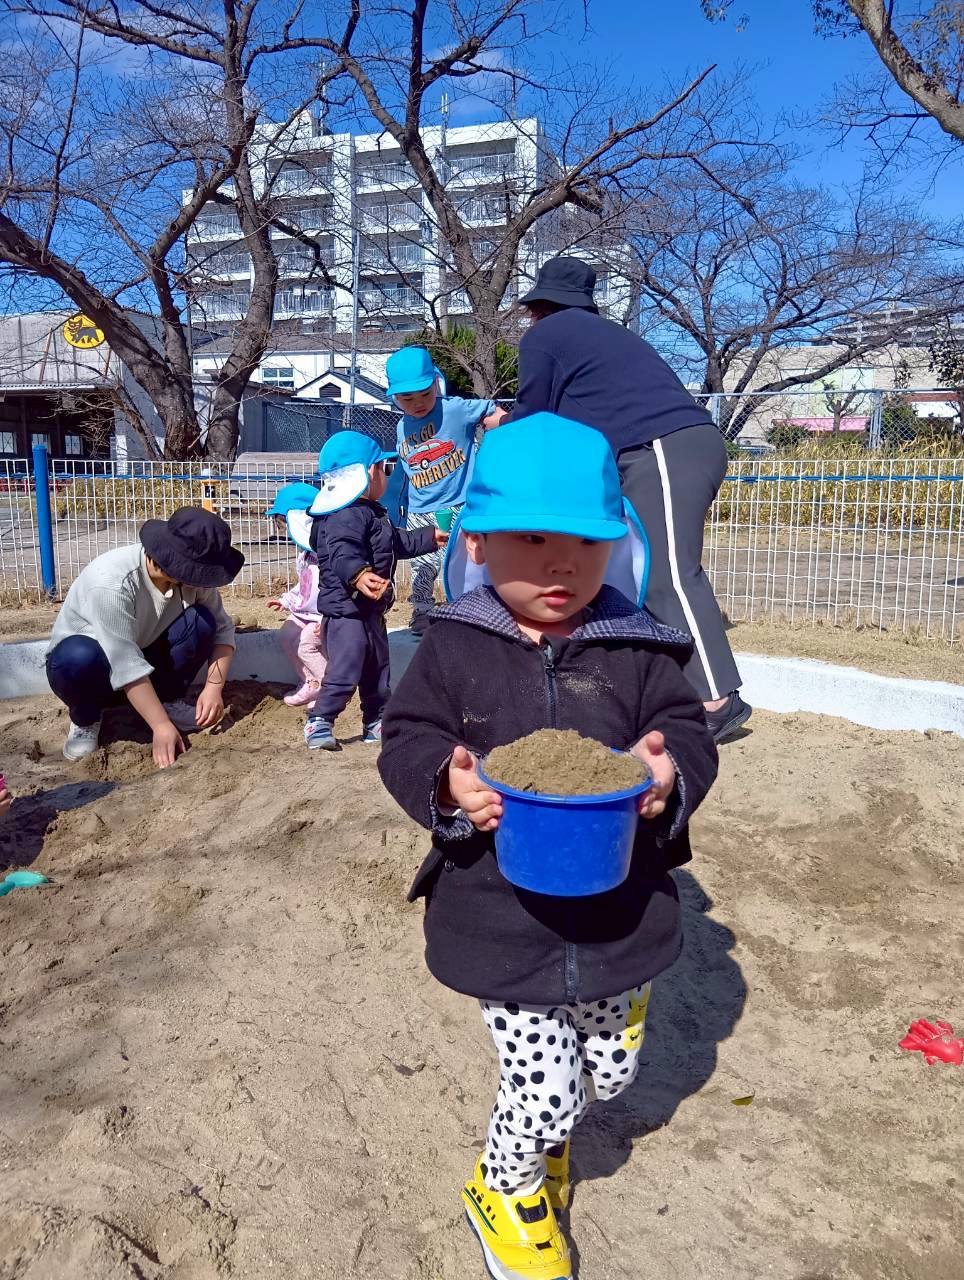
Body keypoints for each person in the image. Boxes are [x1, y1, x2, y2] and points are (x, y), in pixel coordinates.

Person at [378, 414, 718, 1280]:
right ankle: (504, 1189)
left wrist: (667, 772)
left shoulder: (638, 645)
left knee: (610, 1071)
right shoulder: (456, 644)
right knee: (549, 1088)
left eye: (586, 542)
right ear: (479, 542)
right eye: (533, 539)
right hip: (501, 915)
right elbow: (407, 736)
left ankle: (549, 1132)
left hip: (618, 910)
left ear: (618, 542)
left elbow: (684, 730)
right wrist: (447, 783)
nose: (562, 563)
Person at [512, 255, 751, 743]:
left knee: (667, 573)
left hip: (662, 447)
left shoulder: (547, 335)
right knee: (631, 573)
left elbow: (533, 415)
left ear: (540, 305)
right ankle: (664, 689)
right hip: (667, 447)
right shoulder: (603, 337)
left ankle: (718, 701)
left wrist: (500, 427)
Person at [46, 507, 243, 769]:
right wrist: (161, 726)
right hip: (94, 669)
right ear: (180, 567)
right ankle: (86, 718)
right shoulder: (111, 582)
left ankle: (166, 701)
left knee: (202, 622)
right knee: (79, 657)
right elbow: (124, 661)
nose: (204, 581)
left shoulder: (191, 582)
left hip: (143, 660)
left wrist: (213, 687)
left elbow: (223, 630)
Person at [304, 430, 447, 751]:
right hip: (345, 613)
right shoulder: (344, 516)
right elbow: (341, 552)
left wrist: (428, 537)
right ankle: (320, 719)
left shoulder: (371, 513)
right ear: (370, 472)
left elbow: (396, 542)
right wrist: (358, 575)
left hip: (370, 610)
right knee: (345, 668)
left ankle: (375, 721)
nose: (387, 476)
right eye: (386, 469)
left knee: (378, 670)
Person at [386, 345, 506, 633]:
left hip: (459, 504)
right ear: (394, 397)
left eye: (425, 394)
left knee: (468, 560)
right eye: (407, 398)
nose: (418, 403)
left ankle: (472, 609)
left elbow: (491, 411)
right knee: (423, 565)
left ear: (436, 383)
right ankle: (422, 611)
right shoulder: (401, 426)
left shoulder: (453, 409)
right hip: (420, 508)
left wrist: (505, 427)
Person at [265, 482, 328, 708]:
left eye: (284, 522)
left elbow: (336, 589)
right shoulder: (305, 555)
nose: (284, 529)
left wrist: (329, 617)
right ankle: (309, 681)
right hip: (306, 612)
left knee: (306, 645)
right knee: (286, 635)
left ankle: (327, 688)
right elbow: (305, 585)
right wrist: (286, 600)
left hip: (322, 615)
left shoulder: (328, 554)